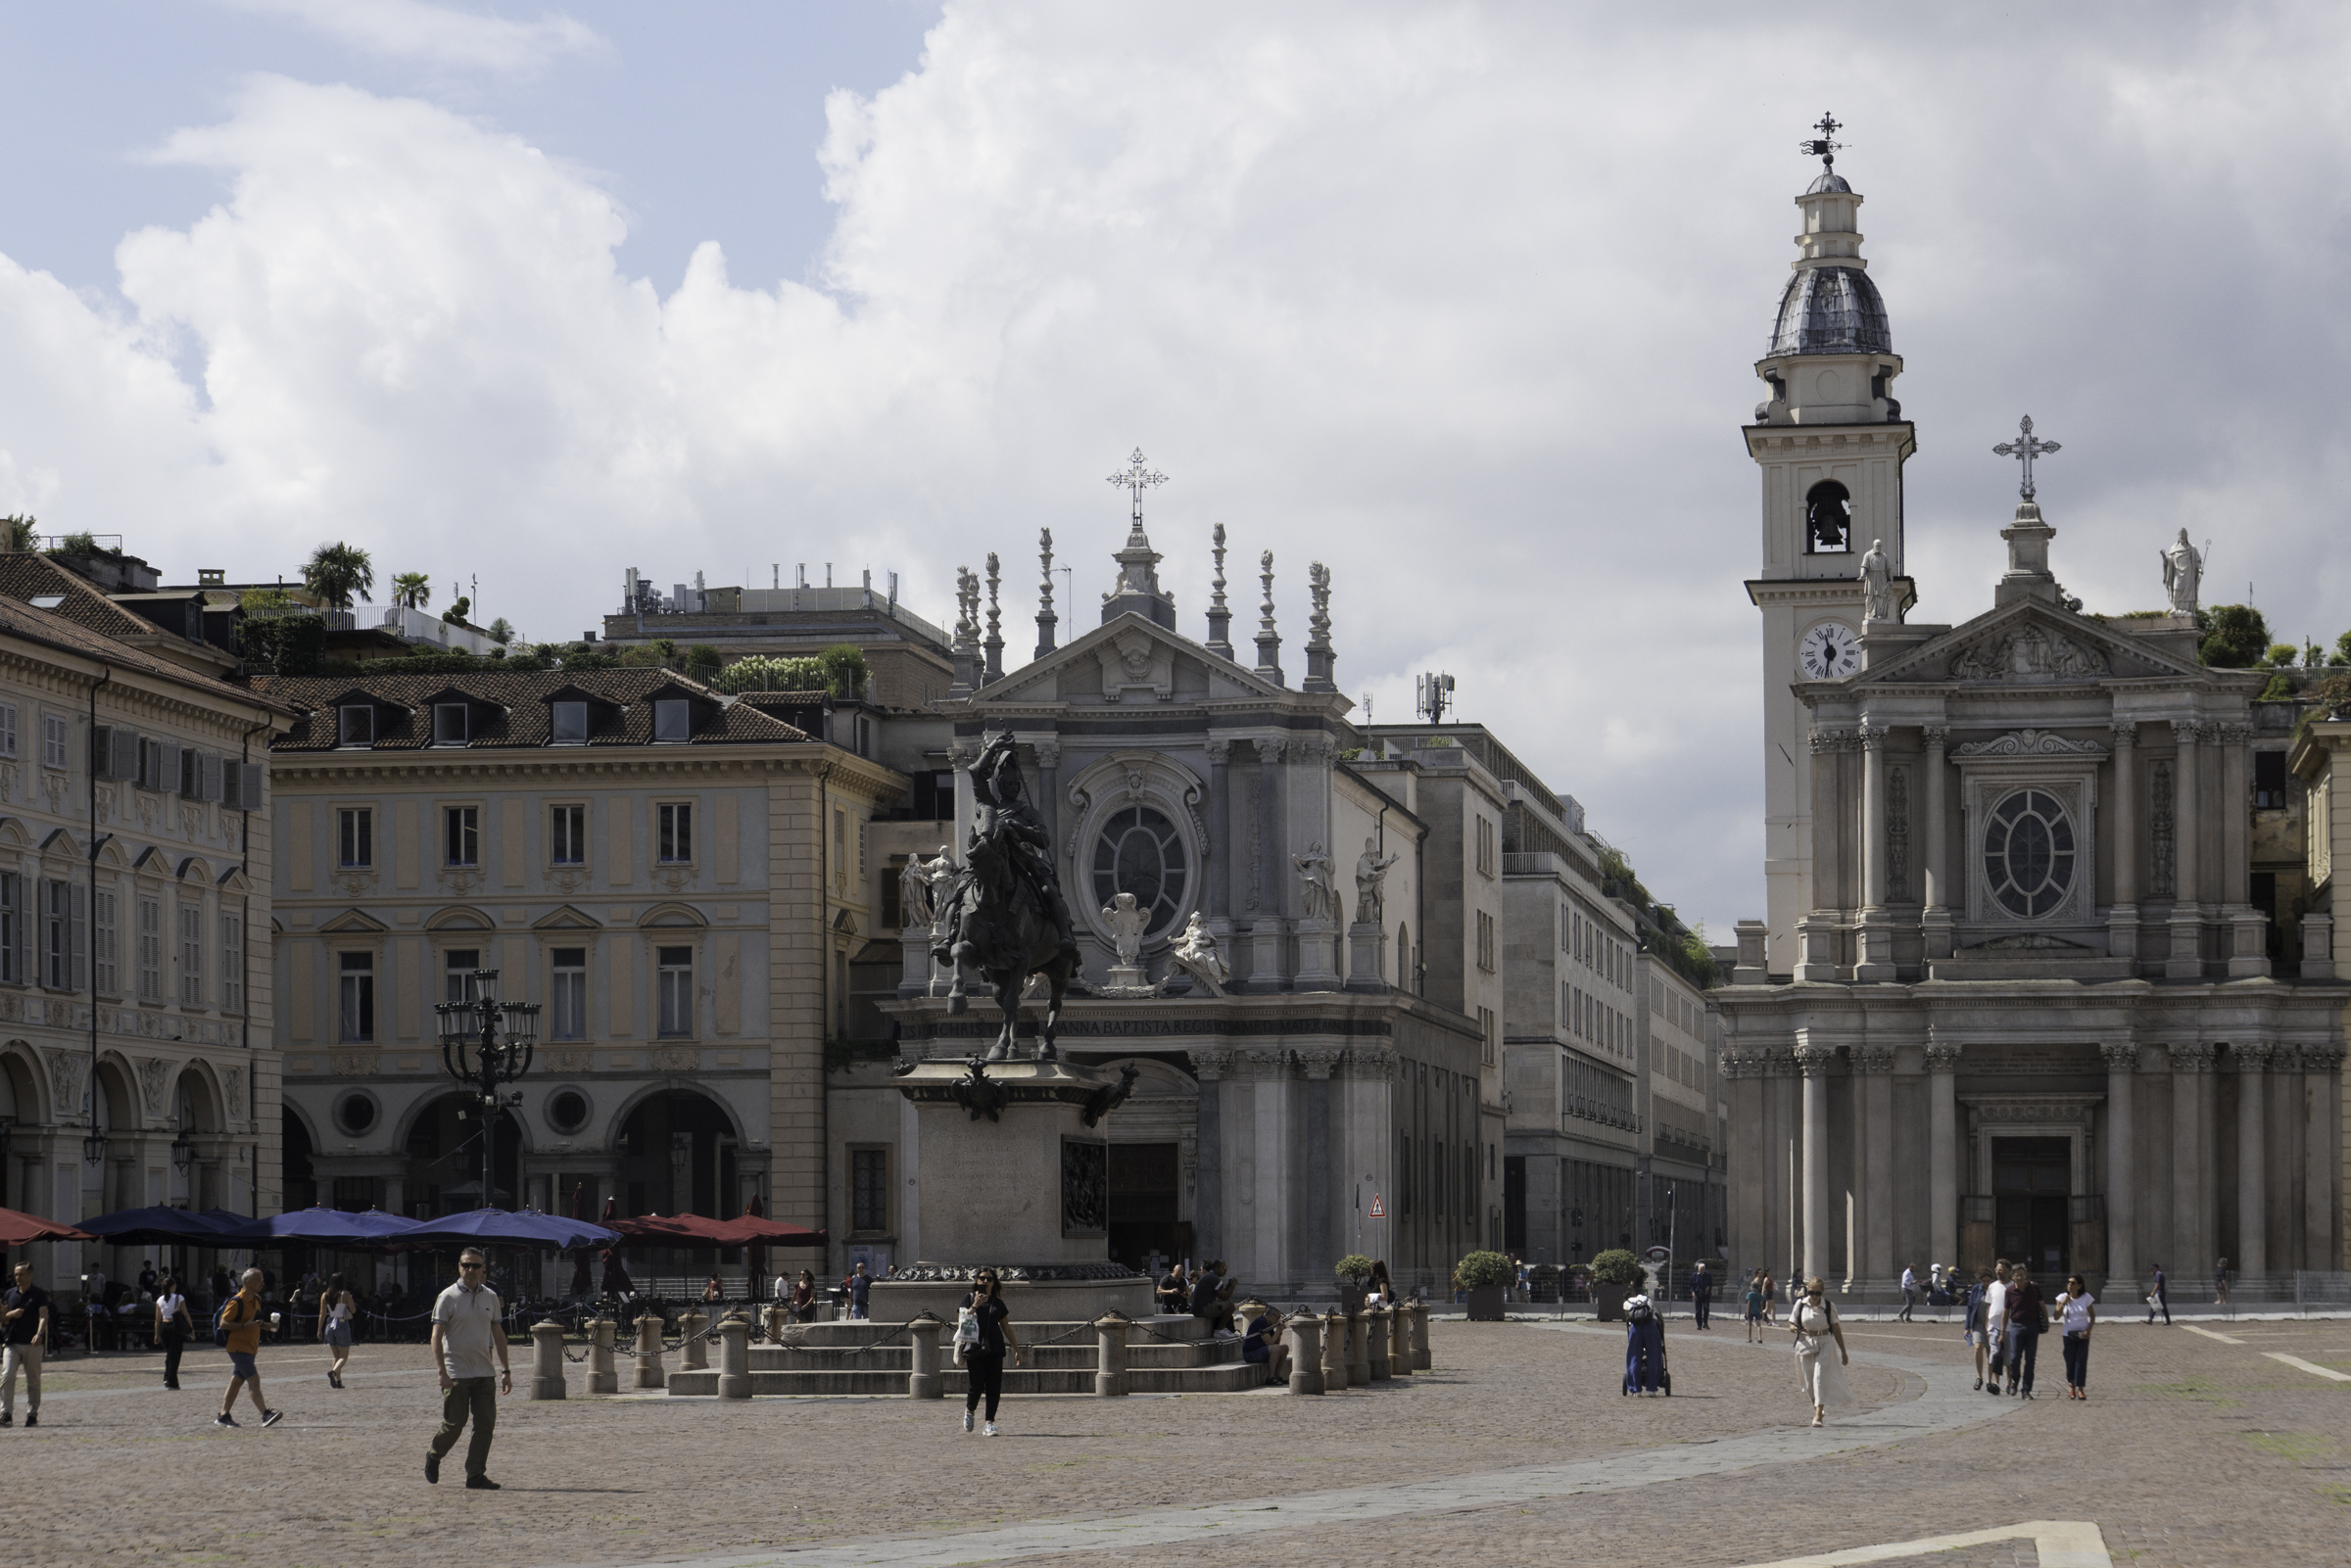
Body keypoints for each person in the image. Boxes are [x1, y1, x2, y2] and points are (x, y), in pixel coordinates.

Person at [423, 1249, 510, 1489]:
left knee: (485, 1425)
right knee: (454, 1423)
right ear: (459, 1267)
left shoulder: (490, 1297)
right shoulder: (447, 1297)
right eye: (466, 1265)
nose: (470, 1270)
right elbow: (436, 1336)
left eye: (475, 1266)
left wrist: (506, 1370)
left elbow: (498, 1335)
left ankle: (475, 1474)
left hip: (484, 1372)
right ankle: (434, 1454)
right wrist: (441, 1371)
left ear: (483, 1269)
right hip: (456, 1373)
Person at [214, 1267, 281, 1429]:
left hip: (250, 1347)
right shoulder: (237, 1301)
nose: (262, 1284)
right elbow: (223, 1323)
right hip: (238, 1347)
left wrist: (268, 1326)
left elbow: (255, 1323)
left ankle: (223, 1415)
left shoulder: (256, 1299)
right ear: (248, 1282)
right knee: (253, 1379)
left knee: (236, 1381)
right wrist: (245, 1326)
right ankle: (265, 1413)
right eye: (259, 1280)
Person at [958, 1267, 1022, 1437]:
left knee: (994, 1386)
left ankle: (989, 1423)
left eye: (989, 1279)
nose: (985, 1282)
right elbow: (963, 1319)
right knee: (976, 1384)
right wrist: (975, 1305)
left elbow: (1006, 1328)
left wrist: (1016, 1349)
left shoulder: (998, 1303)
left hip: (994, 1347)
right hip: (974, 1346)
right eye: (981, 1278)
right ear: (976, 1281)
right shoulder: (969, 1298)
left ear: (994, 1282)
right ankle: (970, 1411)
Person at [1787, 1277, 1852, 1427]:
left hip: (1825, 1342)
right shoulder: (1800, 1304)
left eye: (1817, 1293)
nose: (1814, 1296)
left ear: (1822, 1292)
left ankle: (1818, 1416)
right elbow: (1791, 1323)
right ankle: (1817, 1407)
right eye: (1811, 1292)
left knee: (1819, 1376)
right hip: (1806, 1343)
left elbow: (1836, 1329)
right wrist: (1794, 1328)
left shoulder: (1829, 1306)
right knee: (1809, 1382)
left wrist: (1843, 1351)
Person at [2, 1261, 50, 1427]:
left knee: (33, 1380)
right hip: (12, 1343)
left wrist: (39, 1334)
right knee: (7, 1376)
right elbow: (1, 1317)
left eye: (21, 1274)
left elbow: (43, 1316)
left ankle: (32, 1414)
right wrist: (10, 1314)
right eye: (15, 1274)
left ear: (30, 1275)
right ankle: (6, 1413)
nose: (17, 1278)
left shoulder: (39, 1294)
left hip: (32, 1344)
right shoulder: (9, 1294)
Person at [2053, 1273, 2096, 1401]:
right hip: (2068, 1334)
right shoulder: (2061, 1297)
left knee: (2081, 1361)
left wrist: (2088, 1330)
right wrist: (2063, 1304)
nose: (2070, 1285)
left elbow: (2093, 1316)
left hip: (2083, 1334)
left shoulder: (2086, 1297)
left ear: (2079, 1285)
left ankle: (2081, 1388)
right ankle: (2071, 1386)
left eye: (2073, 1283)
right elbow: (2056, 1316)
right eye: (2068, 1283)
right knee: (2070, 1360)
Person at [2006, 1268, 2045, 1399]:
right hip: (2016, 1325)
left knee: (2030, 1359)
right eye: (2017, 1275)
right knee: (2015, 1357)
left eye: (2023, 1275)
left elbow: (2042, 1304)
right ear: (2013, 1277)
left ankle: (2026, 1389)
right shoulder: (2010, 1291)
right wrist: (2002, 1330)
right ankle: (2014, 1381)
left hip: (2032, 1325)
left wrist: (2046, 1320)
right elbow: (2006, 1311)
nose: (2021, 1277)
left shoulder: (2034, 1287)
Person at [1622, 1285, 1665, 1395]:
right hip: (1650, 1327)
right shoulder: (1646, 1299)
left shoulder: (1627, 1303)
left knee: (1634, 1356)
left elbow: (1628, 1320)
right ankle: (1652, 1389)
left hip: (1635, 1329)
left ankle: (1636, 1390)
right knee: (1654, 1356)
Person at [155, 1274, 194, 1391]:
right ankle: (172, 1381)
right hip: (175, 1326)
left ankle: (167, 1376)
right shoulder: (179, 1298)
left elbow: (157, 1319)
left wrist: (156, 1333)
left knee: (169, 1353)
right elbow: (185, 1314)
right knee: (175, 1355)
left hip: (164, 1326)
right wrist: (191, 1329)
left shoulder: (160, 1299)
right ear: (173, 1286)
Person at [317, 1274, 357, 1389]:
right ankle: (334, 1372)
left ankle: (338, 1381)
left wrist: (319, 1329)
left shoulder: (325, 1295)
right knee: (344, 1356)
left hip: (329, 1324)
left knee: (336, 1355)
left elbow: (322, 1313)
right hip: (341, 1324)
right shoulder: (345, 1294)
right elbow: (353, 1310)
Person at [1982, 1261, 2011, 1398]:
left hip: (2010, 1327)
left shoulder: (2013, 1286)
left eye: (2002, 1269)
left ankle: (2009, 1384)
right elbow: (1989, 1307)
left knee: (2008, 1357)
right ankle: (1996, 1383)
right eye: (1997, 1269)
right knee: (1994, 1355)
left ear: (2008, 1271)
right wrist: (1987, 1325)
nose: (1998, 1272)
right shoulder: (1992, 1287)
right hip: (1994, 1326)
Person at [1965, 1267, 1993, 1391]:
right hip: (1978, 1323)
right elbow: (1970, 1307)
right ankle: (1979, 1377)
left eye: (1988, 1281)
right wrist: (1967, 1327)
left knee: (1990, 1351)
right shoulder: (1976, 1289)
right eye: (1984, 1281)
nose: (1986, 1283)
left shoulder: (1995, 1289)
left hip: (1992, 1324)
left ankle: (1989, 1380)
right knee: (1978, 1347)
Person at [1744, 1270, 1766, 1344]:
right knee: (1759, 1325)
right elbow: (1761, 1304)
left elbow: (1748, 1303)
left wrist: (1747, 1312)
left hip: (1750, 1311)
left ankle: (1749, 1338)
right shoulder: (1759, 1295)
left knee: (1749, 1325)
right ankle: (1760, 1338)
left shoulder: (1749, 1294)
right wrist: (1762, 1312)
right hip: (1757, 1311)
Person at [1689, 1262, 1712, 1330]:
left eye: (1702, 1270)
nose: (1701, 1271)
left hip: (1705, 1294)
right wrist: (1693, 1294)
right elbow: (1691, 1285)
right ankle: (1699, 1324)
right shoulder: (1695, 1275)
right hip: (1697, 1294)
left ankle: (1705, 1323)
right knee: (1698, 1310)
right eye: (1700, 1270)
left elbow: (1711, 1283)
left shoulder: (1708, 1275)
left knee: (1706, 1308)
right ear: (1698, 1269)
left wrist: (1708, 1287)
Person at [2146, 1262, 2169, 1326]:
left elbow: (2157, 1284)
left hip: (2159, 1293)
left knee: (2158, 1306)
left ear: (2156, 1268)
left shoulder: (2158, 1274)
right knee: (2155, 1306)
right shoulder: (2158, 1274)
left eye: (2152, 1269)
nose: (2152, 1270)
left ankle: (2150, 1320)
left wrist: (2153, 1292)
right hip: (2160, 1292)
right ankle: (2150, 1320)